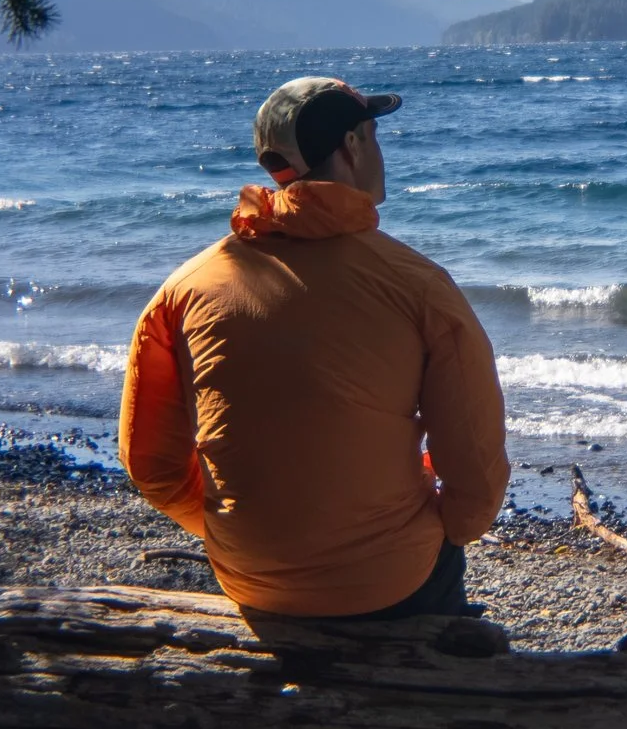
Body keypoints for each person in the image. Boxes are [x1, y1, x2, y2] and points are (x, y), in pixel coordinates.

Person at [118, 76, 510, 618]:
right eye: (372, 135)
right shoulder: (417, 285)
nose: (378, 151)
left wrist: (231, 526)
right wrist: (452, 526)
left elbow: (152, 467)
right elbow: (475, 475)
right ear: (352, 146)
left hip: (248, 578)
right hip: (389, 580)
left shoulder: (185, 288)